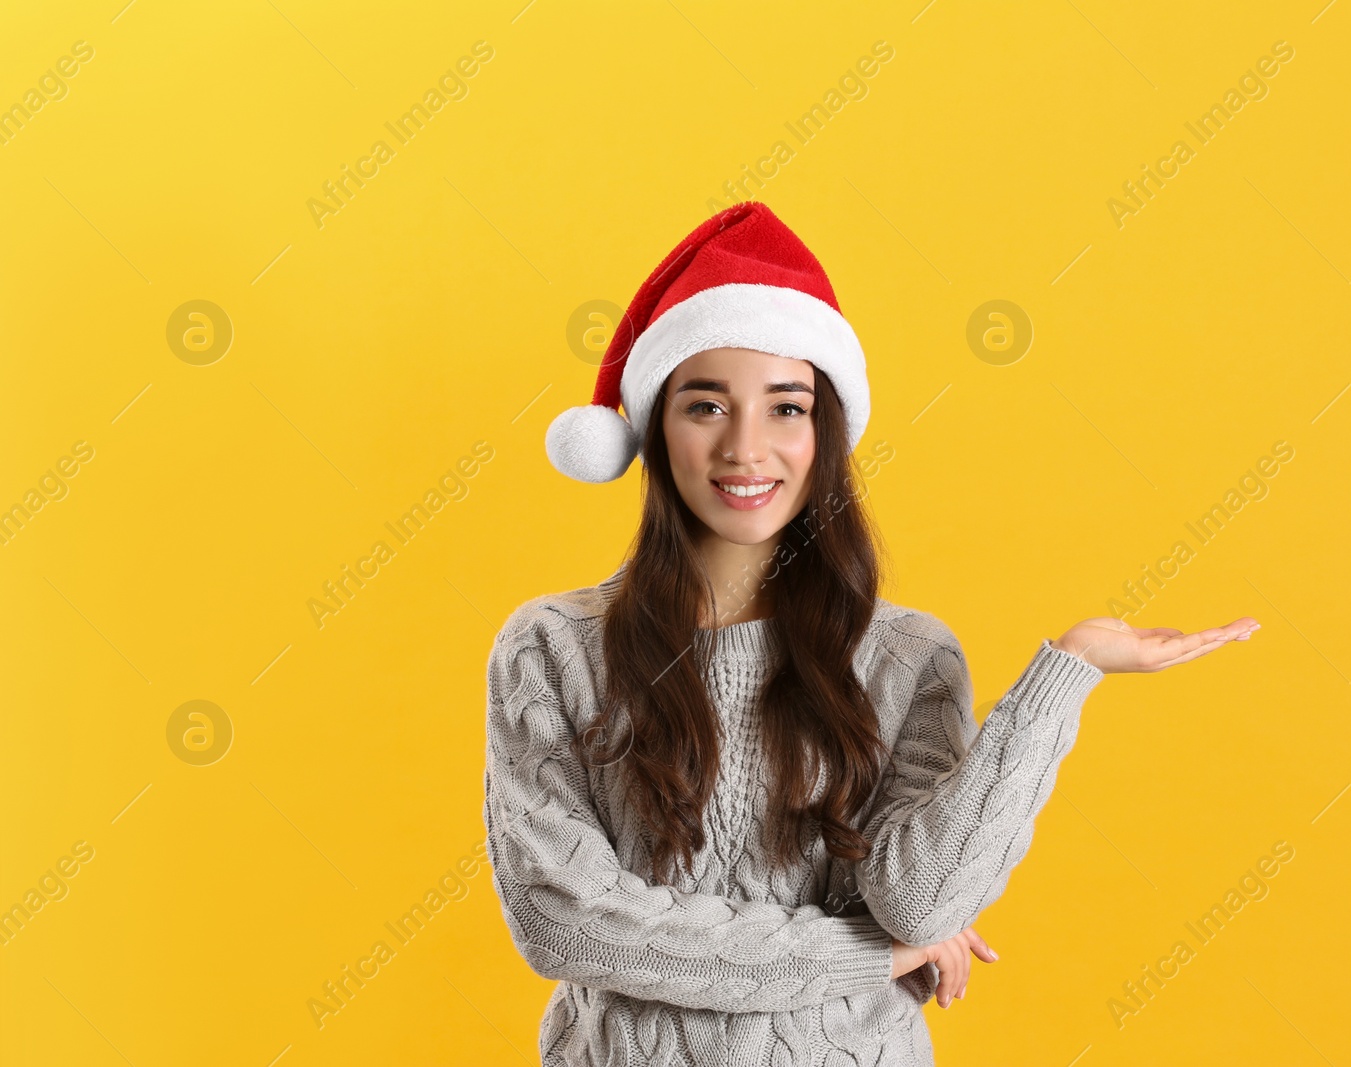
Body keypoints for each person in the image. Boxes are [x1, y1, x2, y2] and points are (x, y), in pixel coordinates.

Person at [483, 201, 1259, 1065]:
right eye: (706, 406)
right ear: (656, 426)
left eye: (787, 408)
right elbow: (568, 925)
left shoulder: (907, 658)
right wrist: (866, 954)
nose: (747, 448)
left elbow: (919, 904)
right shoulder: (552, 647)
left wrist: (1061, 677)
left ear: (826, 433)